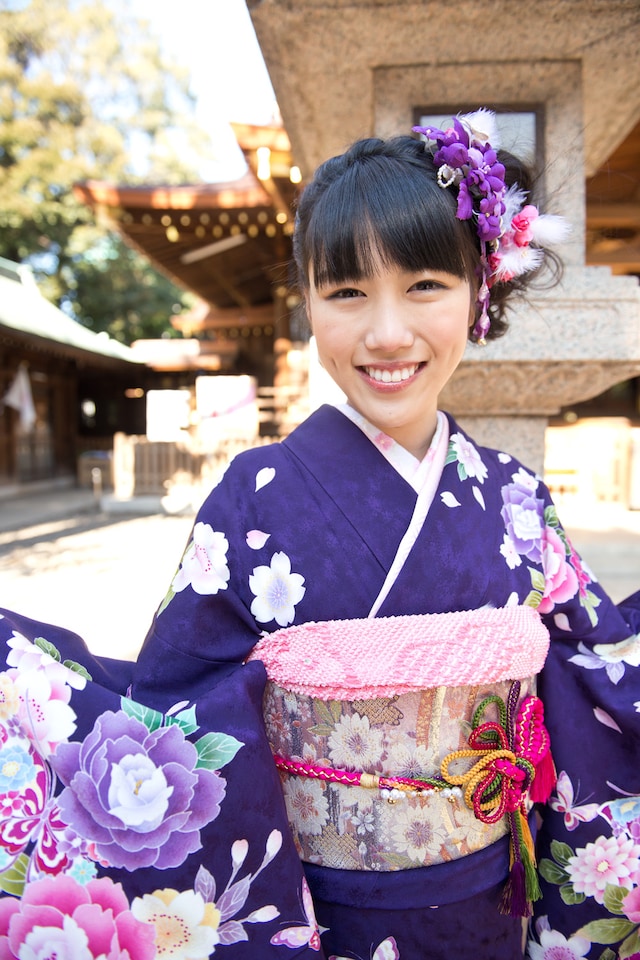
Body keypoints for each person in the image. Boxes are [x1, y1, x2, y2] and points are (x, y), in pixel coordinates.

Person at [1, 109, 639, 960]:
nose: (386, 333)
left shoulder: (516, 499)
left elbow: (599, 675)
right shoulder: (252, 498)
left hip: (489, 905)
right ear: (307, 303)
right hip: (312, 907)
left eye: (425, 286)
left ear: (480, 292)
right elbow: (168, 709)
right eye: (346, 293)